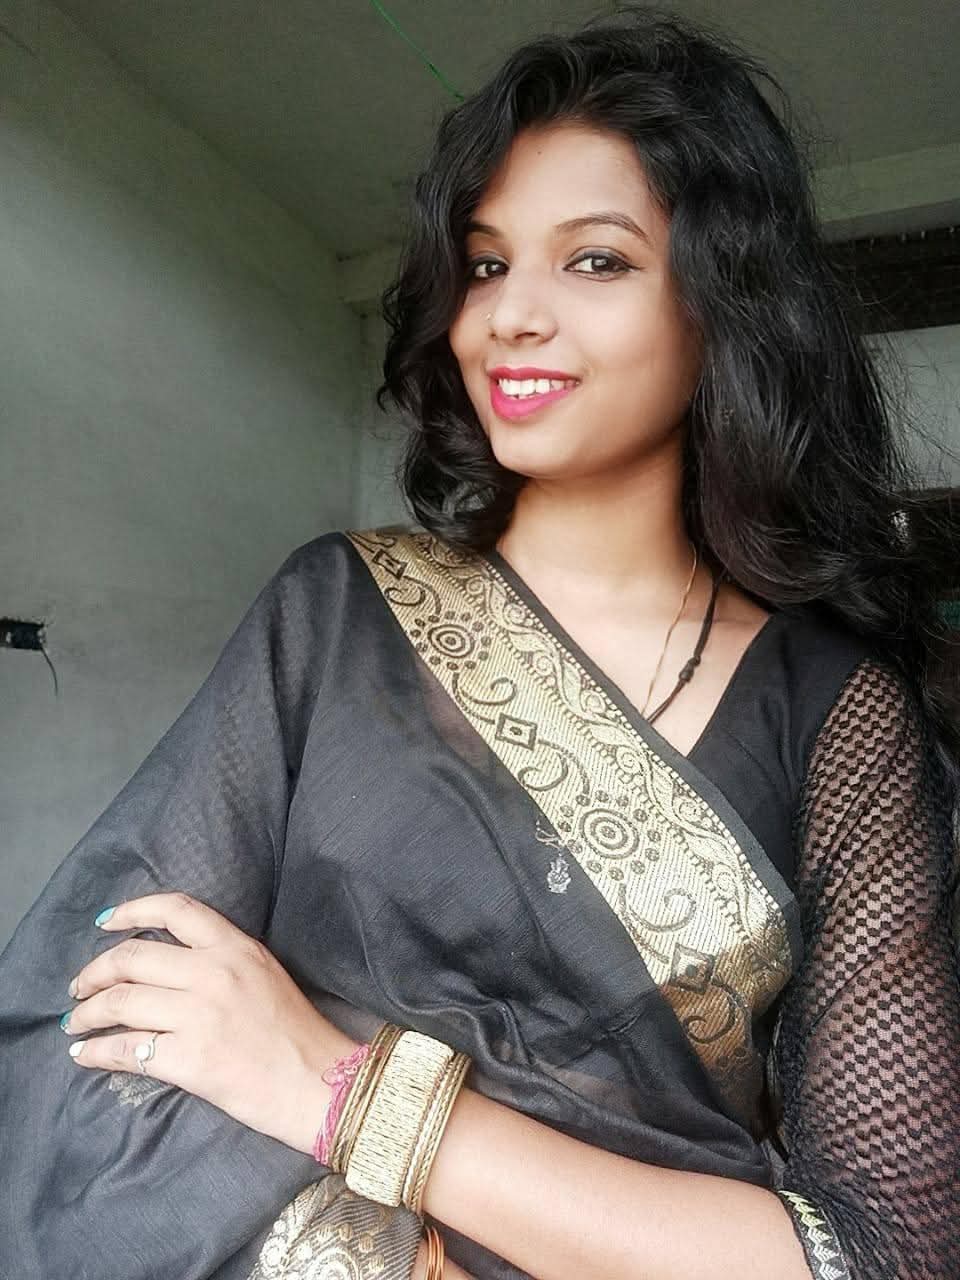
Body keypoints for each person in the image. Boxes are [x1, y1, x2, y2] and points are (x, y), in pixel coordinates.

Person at [2, 7, 959, 1279]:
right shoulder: (337, 613)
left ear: (724, 304)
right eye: (488, 263)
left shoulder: (836, 716)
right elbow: (94, 1024)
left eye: (597, 260)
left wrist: (341, 1088)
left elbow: (886, 1250)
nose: (510, 314)